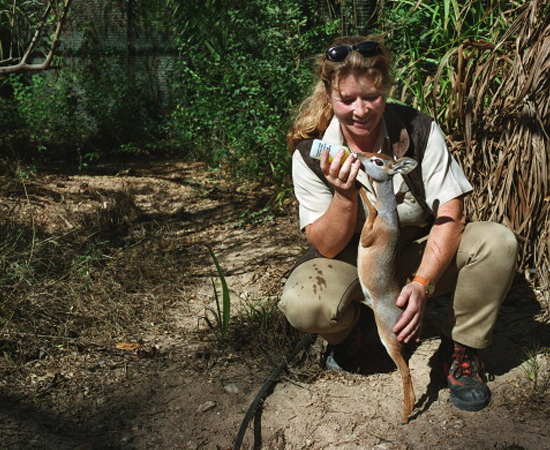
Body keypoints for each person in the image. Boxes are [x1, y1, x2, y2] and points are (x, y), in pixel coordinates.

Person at [278, 35, 518, 412]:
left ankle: (461, 351)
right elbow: (324, 245)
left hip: (412, 254)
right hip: (354, 261)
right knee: (304, 302)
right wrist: (343, 196)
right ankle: (357, 335)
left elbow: (450, 215)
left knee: (497, 241)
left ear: (386, 88)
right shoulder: (313, 153)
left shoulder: (418, 130)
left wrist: (422, 283)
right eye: (347, 100)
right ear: (328, 94)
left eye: (371, 96)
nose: (361, 111)